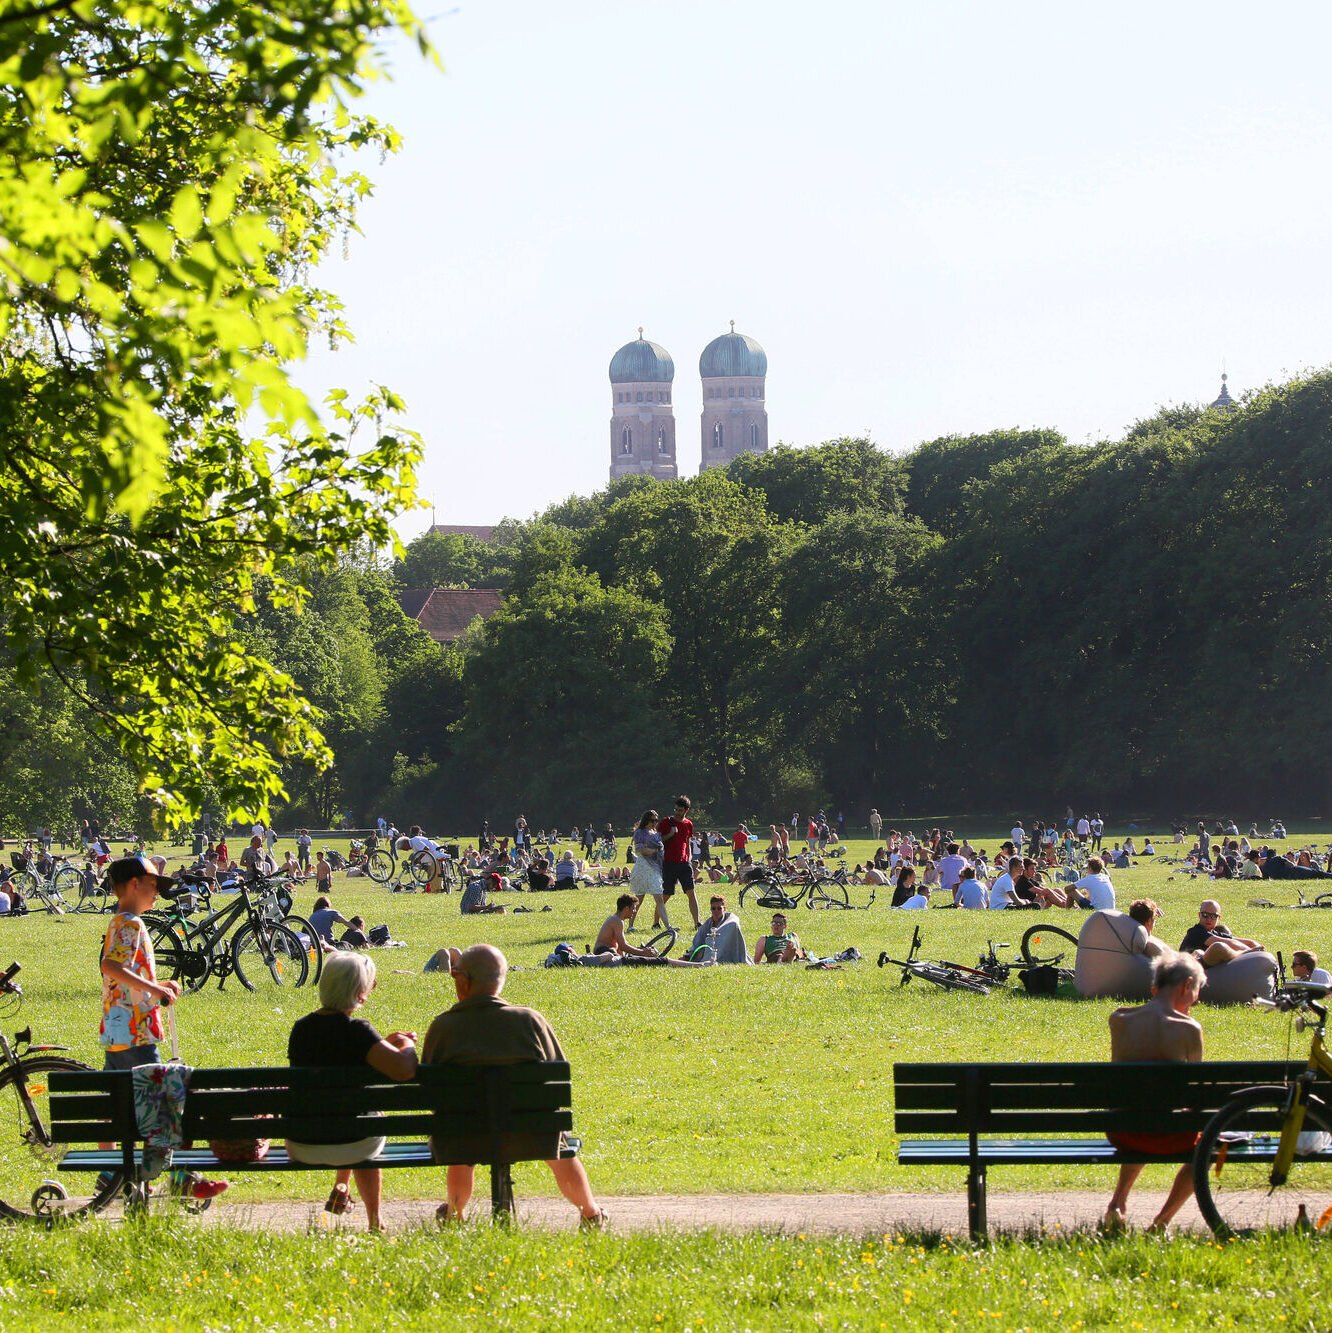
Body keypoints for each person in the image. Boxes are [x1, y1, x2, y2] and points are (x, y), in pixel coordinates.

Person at [422, 944, 606, 1226]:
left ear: (466, 980)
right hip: (530, 1134)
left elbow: (431, 1091)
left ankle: (455, 1215)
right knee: (555, 1137)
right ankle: (590, 1213)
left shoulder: (444, 1027)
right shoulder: (530, 1021)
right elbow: (554, 1078)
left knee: (458, 1134)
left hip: (462, 1136)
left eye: (455, 974)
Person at [99, 855, 228, 1201]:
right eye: (153, 885)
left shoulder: (119, 922)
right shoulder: (132, 925)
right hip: (137, 1030)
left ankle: (110, 1171)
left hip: (117, 1031)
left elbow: (124, 971)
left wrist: (159, 983)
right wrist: (156, 991)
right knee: (168, 1100)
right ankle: (183, 1176)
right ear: (132, 885)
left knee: (119, 1105)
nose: (157, 893)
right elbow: (110, 966)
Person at [286, 953, 418, 1231]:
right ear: (361, 994)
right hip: (356, 1143)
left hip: (303, 1144)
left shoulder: (301, 1029)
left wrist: (383, 1044)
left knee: (346, 1112)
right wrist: (405, 1044)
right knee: (368, 1118)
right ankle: (375, 1221)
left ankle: (341, 1188)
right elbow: (404, 1070)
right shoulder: (359, 1031)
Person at [1102, 952, 1205, 1233]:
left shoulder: (1119, 1019)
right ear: (1186, 986)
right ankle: (1161, 1223)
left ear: (1155, 986)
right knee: (1205, 1144)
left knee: (1142, 1113)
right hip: (1173, 1135)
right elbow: (1197, 1093)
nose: (1195, 999)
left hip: (1124, 1130)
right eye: (1196, 991)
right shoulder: (1189, 1029)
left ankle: (1117, 1204)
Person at [657, 796, 700, 930]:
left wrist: (689, 857)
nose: (677, 812)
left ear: (686, 810)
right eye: (675, 809)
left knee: (691, 892)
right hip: (669, 862)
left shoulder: (688, 824)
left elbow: (687, 841)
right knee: (666, 894)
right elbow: (658, 841)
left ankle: (697, 922)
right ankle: (655, 922)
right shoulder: (666, 822)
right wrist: (670, 834)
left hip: (684, 863)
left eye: (680, 810)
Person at [1178, 900, 1264, 967]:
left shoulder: (1216, 933)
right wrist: (1247, 952)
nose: (1209, 919)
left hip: (1210, 971)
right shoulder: (1196, 932)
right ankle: (1243, 954)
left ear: (1219, 918)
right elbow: (1228, 943)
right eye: (1205, 915)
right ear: (1199, 915)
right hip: (1190, 969)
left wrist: (1259, 951)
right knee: (1219, 947)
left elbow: (1249, 942)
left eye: (1213, 916)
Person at [627, 809, 666, 931]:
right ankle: (630, 926)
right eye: (652, 820)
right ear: (646, 820)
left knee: (659, 898)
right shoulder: (640, 832)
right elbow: (640, 850)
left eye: (656, 820)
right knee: (639, 899)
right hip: (644, 867)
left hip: (655, 867)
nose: (654, 823)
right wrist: (654, 851)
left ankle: (668, 926)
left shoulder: (655, 833)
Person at [687, 895, 750, 964]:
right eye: (713, 908)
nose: (716, 911)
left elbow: (732, 924)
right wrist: (689, 955)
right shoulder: (708, 923)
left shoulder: (731, 920)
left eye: (719, 908)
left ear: (724, 909)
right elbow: (698, 939)